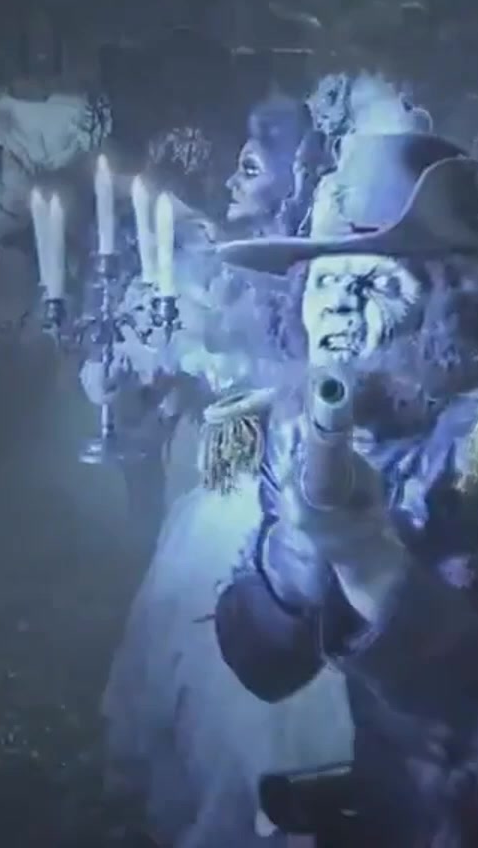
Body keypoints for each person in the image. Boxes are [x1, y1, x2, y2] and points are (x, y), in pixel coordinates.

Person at [206, 129, 478, 846]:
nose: (338, 308)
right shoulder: (303, 432)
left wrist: (363, 554)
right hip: (396, 802)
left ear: (449, 306)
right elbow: (263, 666)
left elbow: (470, 671)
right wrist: (296, 555)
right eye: (325, 283)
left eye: (372, 284)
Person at [97, 90, 354, 848]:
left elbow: (297, 382)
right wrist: (159, 365)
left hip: (284, 496)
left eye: (253, 164)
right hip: (223, 484)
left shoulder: (322, 277)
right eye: (238, 163)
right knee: (199, 663)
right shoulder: (218, 260)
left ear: (297, 177)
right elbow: (195, 372)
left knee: (262, 700)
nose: (234, 178)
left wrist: (205, 356)